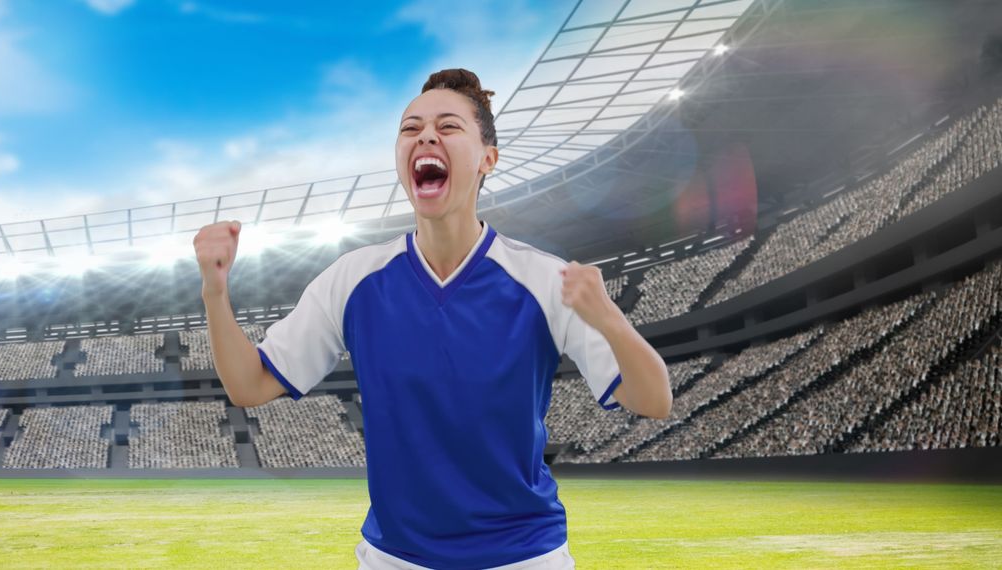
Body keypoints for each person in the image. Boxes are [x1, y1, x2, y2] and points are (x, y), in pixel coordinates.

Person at [193, 68, 672, 570]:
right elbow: (249, 384)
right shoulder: (353, 279)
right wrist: (215, 289)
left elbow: (653, 399)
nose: (425, 135)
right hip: (395, 558)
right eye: (410, 128)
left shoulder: (544, 280)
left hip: (524, 557)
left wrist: (612, 321)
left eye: (448, 126)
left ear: (488, 158)